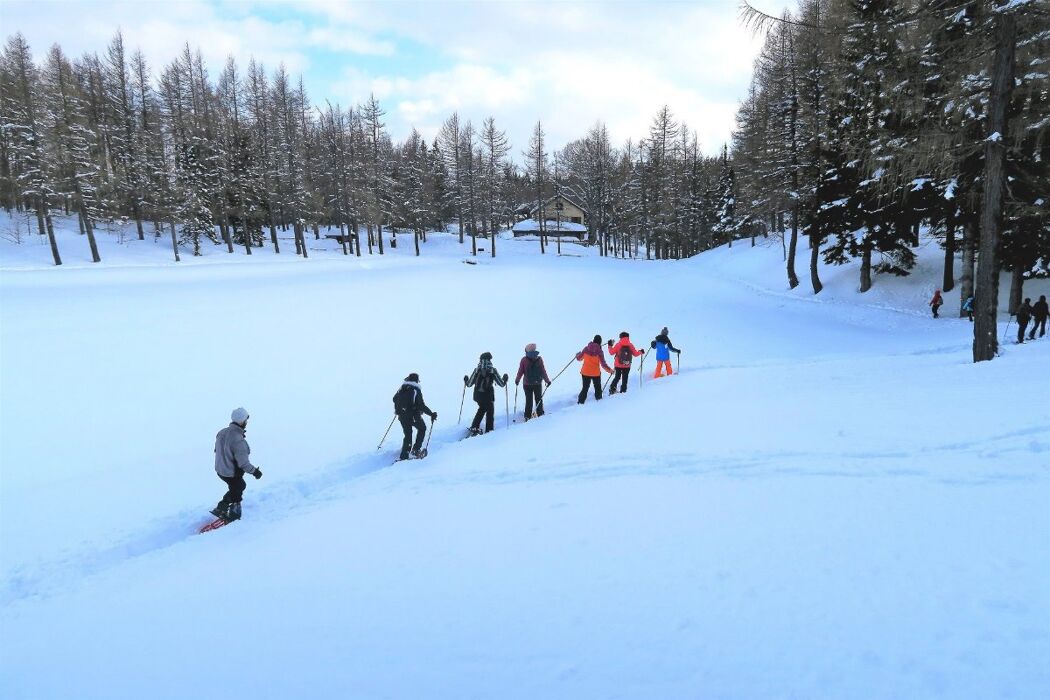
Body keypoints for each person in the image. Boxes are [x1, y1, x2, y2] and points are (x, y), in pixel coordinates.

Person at [211, 407, 262, 522]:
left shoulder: (222, 432)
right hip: (231, 472)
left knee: (237, 486)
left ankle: (223, 507)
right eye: (246, 420)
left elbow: (216, 450)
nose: (247, 423)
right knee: (238, 486)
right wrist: (255, 472)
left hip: (220, 470)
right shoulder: (238, 440)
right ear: (242, 421)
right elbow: (243, 463)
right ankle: (232, 512)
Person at [393, 373, 437, 459]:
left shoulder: (402, 388)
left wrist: (401, 408)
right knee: (422, 428)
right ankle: (416, 449)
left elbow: (394, 399)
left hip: (401, 416)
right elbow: (421, 405)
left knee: (408, 434)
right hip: (413, 416)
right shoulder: (416, 389)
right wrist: (431, 414)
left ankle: (404, 455)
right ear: (417, 381)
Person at [464, 352, 508, 435]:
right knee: (490, 412)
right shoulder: (492, 370)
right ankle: (489, 431)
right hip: (488, 396)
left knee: (481, 408)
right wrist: (505, 379)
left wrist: (466, 380)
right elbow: (501, 384)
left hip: (477, 395)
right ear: (489, 359)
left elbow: (469, 384)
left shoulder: (477, 370)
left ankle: (474, 426)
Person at [515, 343, 551, 420]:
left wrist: (517, 380)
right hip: (537, 383)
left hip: (527, 384)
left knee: (529, 401)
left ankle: (527, 416)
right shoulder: (539, 359)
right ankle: (540, 414)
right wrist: (547, 380)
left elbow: (520, 371)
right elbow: (543, 371)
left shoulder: (524, 360)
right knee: (539, 399)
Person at [576, 334, 613, 404]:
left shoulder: (586, 349)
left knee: (585, 388)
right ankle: (599, 402)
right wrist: (610, 371)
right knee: (598, 388)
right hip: (595, 374)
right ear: (600, 342)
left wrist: (577, 354)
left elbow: (579, 358)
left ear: (593, 340)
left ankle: (580, 402)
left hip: (585, 372)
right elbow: (603, 365)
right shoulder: (600, 352)